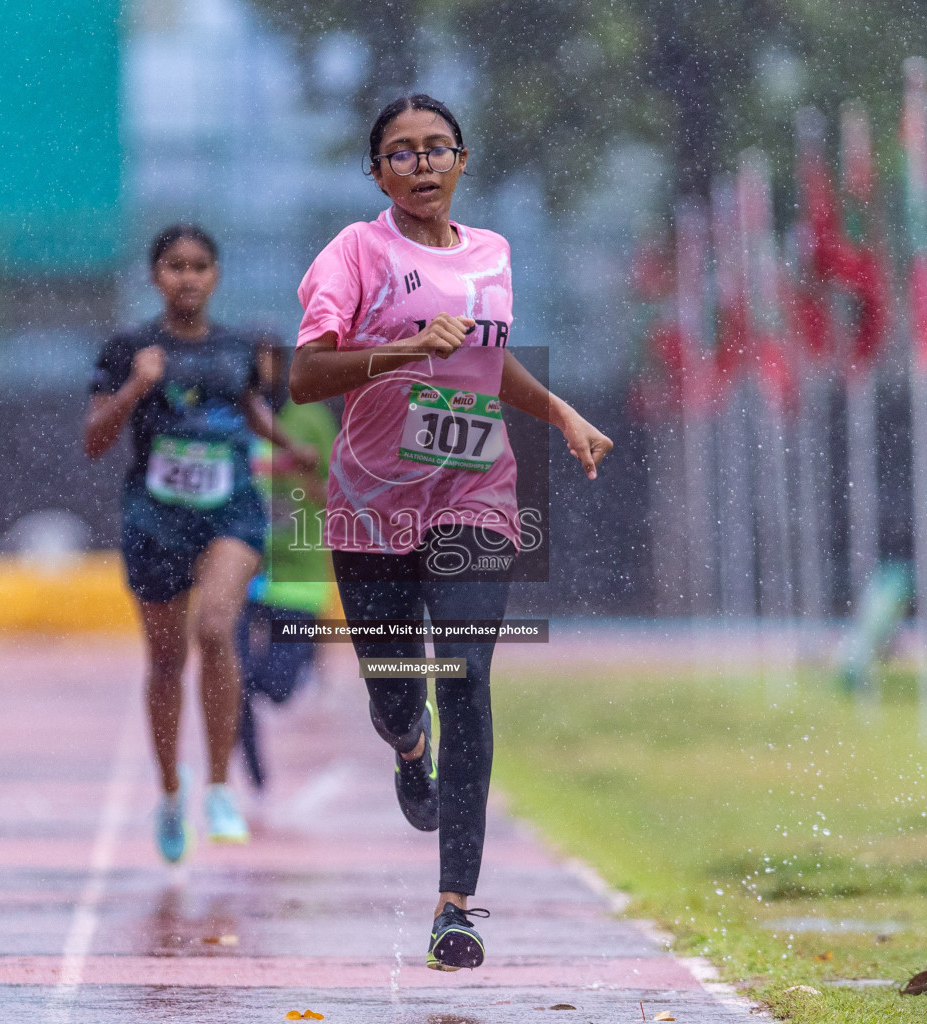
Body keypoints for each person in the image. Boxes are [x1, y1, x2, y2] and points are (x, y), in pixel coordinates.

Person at [288, 94, 613, 971]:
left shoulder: (494, 254)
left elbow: (483, 359)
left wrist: (558, 413)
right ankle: (405, 740)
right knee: (400, 686)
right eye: (402, 153)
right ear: (377, 171)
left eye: (437, 149)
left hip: (477, 495)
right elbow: (305, 375)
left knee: (465, 672)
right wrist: (401, 351)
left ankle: (455, 908)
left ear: (462, 161)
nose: (422, 164)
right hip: (370, 509)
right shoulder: (354, 253)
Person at [85, 224, 316, 864]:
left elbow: (250, 410)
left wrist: (287, 447)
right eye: (174, 266)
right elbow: (94, 439)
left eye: (199, 266)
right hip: (155, 520)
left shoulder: (242, 347)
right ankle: (168, 791)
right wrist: (135, 386)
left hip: (230, 515)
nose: (187, 277)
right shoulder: (128, 347)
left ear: (215, 275)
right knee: (165, 663)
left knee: (216, 629)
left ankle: (218, 786)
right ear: (155, 275)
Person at [235, 331, 339, 790]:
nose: (261, 373)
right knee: (228, 673)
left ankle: (243, 703)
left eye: (268, 362)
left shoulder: (311, 421)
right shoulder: (232, 418)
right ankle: (248, 762)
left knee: (274, 686)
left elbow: (344, 492)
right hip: (241, 569)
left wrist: (300, 480)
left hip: (299, 573)